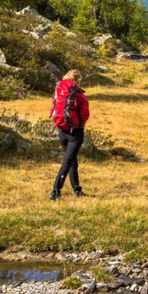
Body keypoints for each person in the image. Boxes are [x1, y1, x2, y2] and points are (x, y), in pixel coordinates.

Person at [49, 69, 90, 200]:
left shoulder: (59, 92)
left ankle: (76, 189)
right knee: (67, 162)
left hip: (62, 131)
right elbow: (85, 115)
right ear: (78, 81)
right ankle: (55, 191)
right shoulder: (80, 96)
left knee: (72, 160)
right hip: (75, 133)